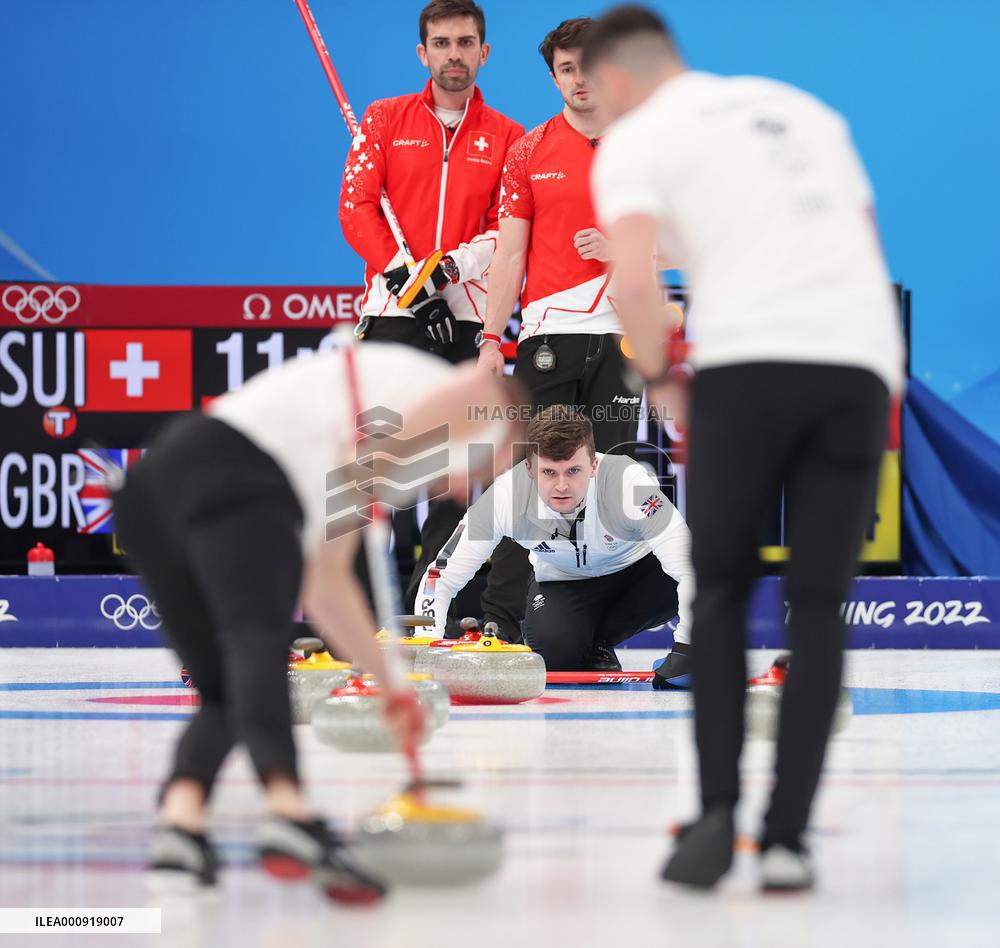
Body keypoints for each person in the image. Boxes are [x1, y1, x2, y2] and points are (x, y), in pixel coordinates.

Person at [585, 6, 904, 890]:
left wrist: (658, 376)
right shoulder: (800, 109)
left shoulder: (638, 139)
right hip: (856, 362)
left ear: (614, 81)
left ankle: (717, 820)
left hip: (748, 363)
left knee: (720, 590)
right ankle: (791, 840)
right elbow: (866, 237)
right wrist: (882, 375)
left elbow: (632, 274)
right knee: (818, 601)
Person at [113, 340, 525, 900]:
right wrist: (405, 470)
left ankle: (181, 826)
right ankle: (288, 811)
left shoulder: (353, 463)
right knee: (254, 639)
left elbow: (327, 589)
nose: (456, 488)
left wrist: (392, 686)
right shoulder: (485, 414)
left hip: (152, 489)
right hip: (235, 469)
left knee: (223, 688)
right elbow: (475, 395)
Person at [338, 0, 524, 618]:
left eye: (465, 42)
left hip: (468, 323)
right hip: (393, 317)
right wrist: (410, 282)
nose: (453, 54)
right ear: (423, 52)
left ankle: (434, 608)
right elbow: (357, 206)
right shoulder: (384, 119)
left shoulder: (508, 138)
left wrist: (449, 271)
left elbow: (506, 232)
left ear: (484, 52)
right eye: (441, 43)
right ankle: (359, 615)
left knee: (459, 476)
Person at [461, 17, 642, 645]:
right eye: (566, 69)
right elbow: (509, 257)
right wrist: (489, 340)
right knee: (530, 478)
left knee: (610, 481)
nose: (579, 79)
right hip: (547, 336)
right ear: (554, 76)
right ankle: (500, 623)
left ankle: (589, 628)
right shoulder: (528, 151)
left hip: (624, 335)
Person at [417, 407, 692, 673]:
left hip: (639, 573)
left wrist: (688, 648)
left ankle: (595, 642)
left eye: (573, 471)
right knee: (555, 654)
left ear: (594, 465)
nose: (561, 486)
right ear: (529, 468)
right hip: (563, 581)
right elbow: (440, 576)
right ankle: (590, 644)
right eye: (549, 472)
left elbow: (691, 564)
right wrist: (425, 645)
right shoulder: (505, 496)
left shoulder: (628, 482)